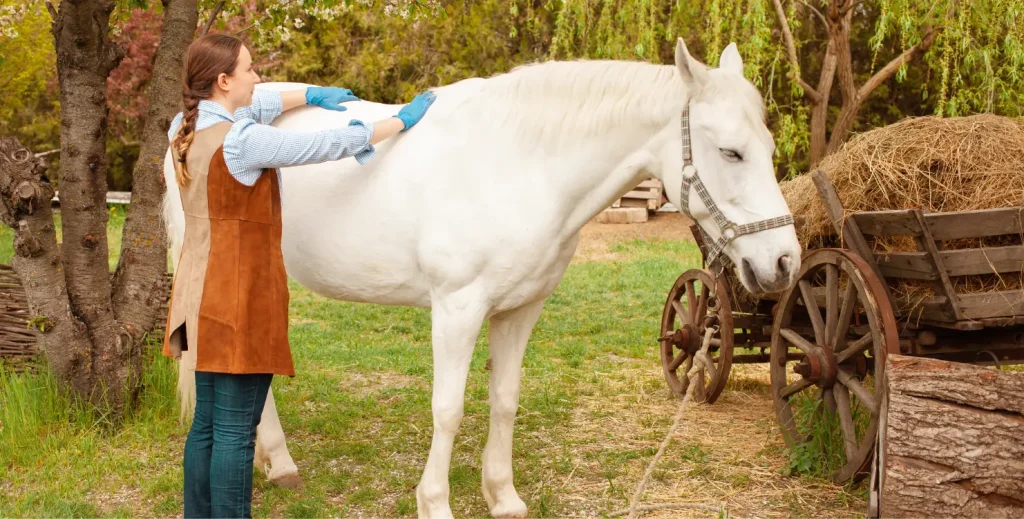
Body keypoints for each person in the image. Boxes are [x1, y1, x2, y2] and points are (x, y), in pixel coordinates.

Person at [161, 33, 435, 518]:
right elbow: (324, 143)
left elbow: (259, 101)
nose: (258, 77)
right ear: (224, 81)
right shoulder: (243, 141)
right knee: (234, 430)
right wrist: (397, 121)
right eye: (249, 69)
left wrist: (309, 94)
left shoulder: (182, 131)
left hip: (194, 295)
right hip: (237, 298)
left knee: (206, 423)